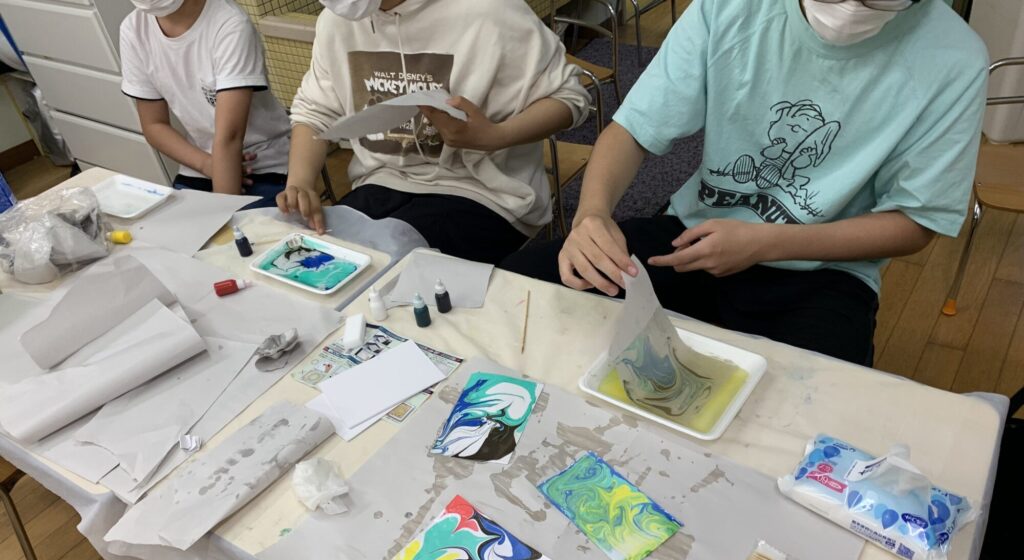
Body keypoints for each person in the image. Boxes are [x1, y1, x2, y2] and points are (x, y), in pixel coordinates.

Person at [501, 0, 989, 366]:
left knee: (816, 416)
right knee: (520, 288)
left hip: (825, 271)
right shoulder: (732, 8)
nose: (849, 8)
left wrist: (766, 242)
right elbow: (632, 130)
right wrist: (591, 215)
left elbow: (915, 221)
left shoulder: (952, 57)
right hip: (696, 236)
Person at [276, 0, 590, 265]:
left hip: (484, 191)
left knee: (395, 279)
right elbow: (314, 111)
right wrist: (300, 182)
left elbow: (569, 98)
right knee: (319, 261)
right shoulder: (337, 21)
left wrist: (493, 136)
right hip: (380, 180)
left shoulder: (490, 11)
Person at [120, 0, 291, 208]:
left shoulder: (230, 24)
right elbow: (154, 125)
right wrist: (207, 164)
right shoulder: (133, 30)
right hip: (200, 162)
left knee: (244, 227)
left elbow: (230, 137)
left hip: (262, 163)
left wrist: (223, 212)